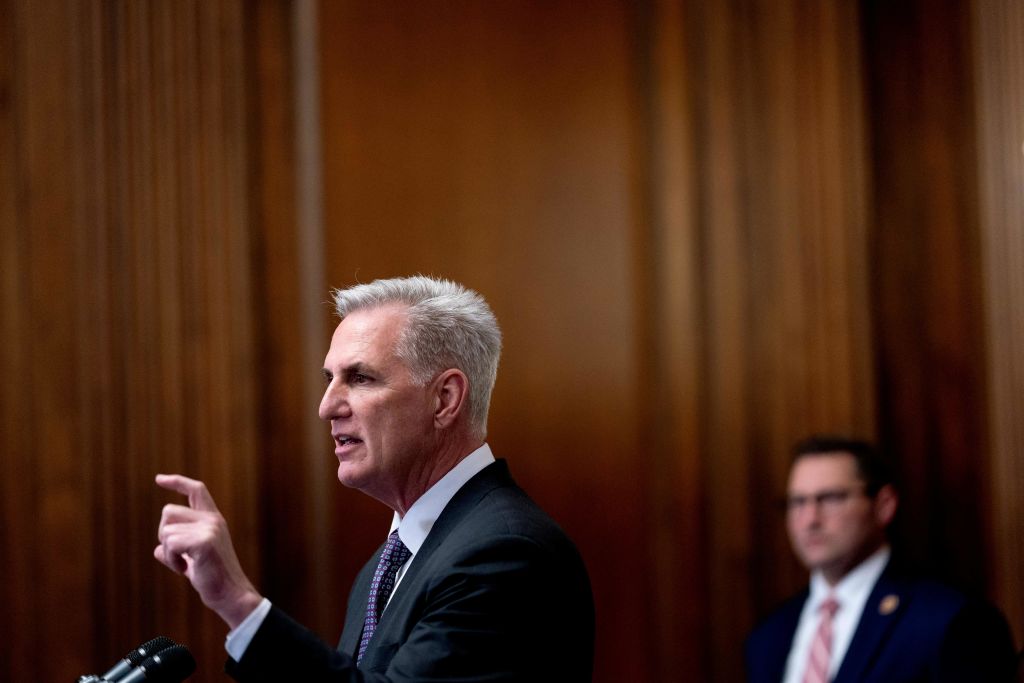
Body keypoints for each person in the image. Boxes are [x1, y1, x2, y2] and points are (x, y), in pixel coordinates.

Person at [154, 275, 595, 681]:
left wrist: (238, 602)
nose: (327, 407)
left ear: (444, 398)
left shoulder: (504, 553)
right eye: (329, 379)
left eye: (360, 378)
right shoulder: (388, 563)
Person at [745, 436, 1016, 683]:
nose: (810, 519)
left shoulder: (950, 620)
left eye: (830, 498)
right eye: (797, 502)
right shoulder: (768, 636)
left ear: (884, 505)